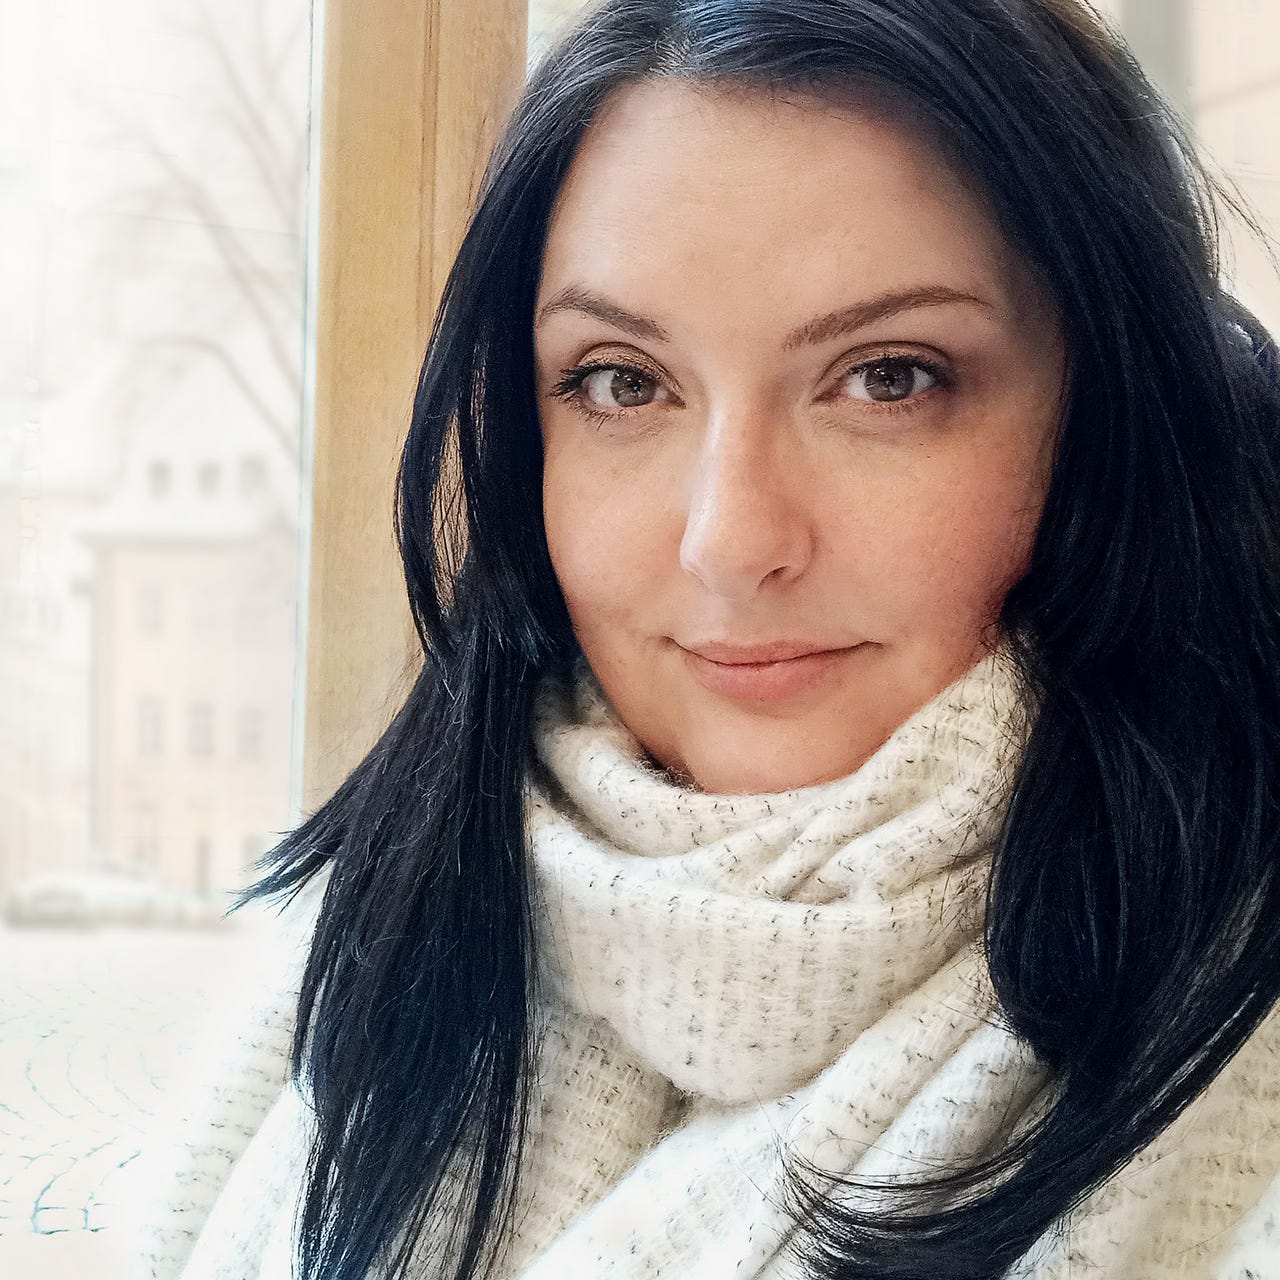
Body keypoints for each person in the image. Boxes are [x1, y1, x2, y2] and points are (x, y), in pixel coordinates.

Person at [131, 0, 1280, 1276]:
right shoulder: (377, 918)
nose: (728, 540)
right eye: (622, 381)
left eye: (888, 375)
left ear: (1113, 413)